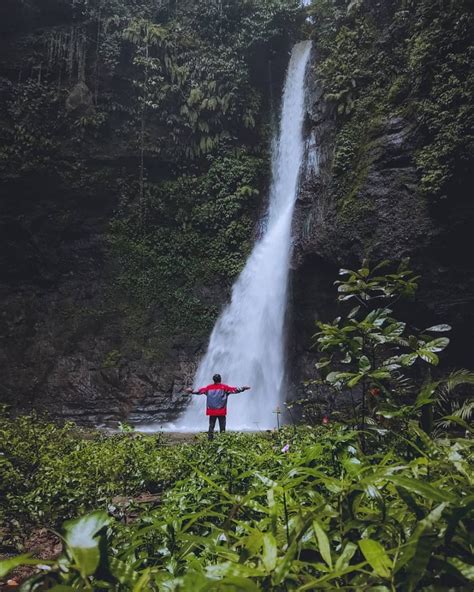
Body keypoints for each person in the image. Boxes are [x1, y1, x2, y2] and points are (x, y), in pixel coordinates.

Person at [186, 373, 250, 440]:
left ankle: (210, 440)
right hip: (221, 411)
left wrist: (191, 391)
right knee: (222, 427)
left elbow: (199, 391)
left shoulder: (208, 388)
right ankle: (222, 439)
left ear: (213, 380)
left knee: (211, 426)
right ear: (220, 379)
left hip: (212, 411)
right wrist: (243, 388)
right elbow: (235, 390)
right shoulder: (225, 387)